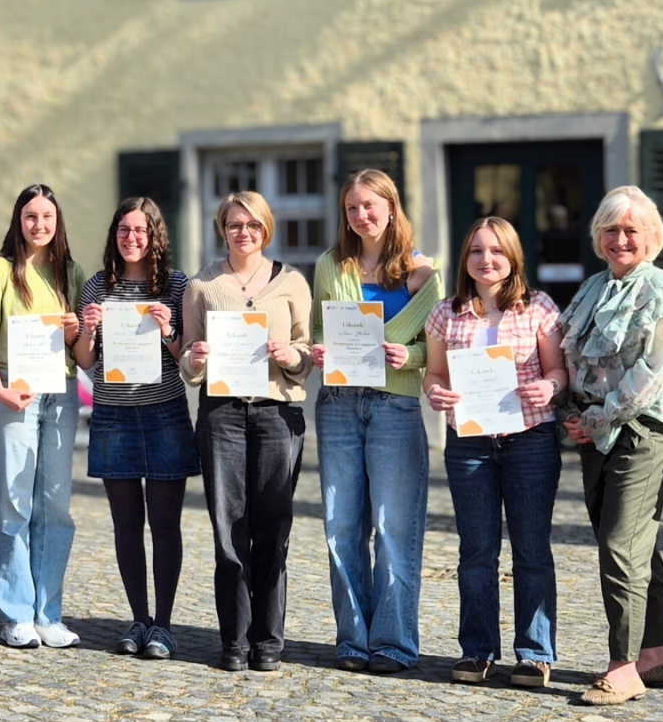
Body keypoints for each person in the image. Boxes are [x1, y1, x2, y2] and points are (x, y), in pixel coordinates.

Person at [560, 184, 663, 707]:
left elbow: (653, 372)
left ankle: (622, 668)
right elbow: (570, 356)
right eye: (611, 229)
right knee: (634, 543)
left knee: (620, 543)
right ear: (598, 236)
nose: (621, 239)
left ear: (651, 237)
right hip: (593, 433)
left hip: (644, 429)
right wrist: (571, 413)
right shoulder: (591, 289)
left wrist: (596, 417)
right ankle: (653, 655)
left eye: (631, 230)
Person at [308, 168, 443, 673]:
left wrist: (403, 358)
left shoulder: (423, 272)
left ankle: (393, 641)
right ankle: (352, 638)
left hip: (395, 409)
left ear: (391, 206)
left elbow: (434, 348)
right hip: (339, 405)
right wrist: (319, 351)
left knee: (392, 530)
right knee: (341, 528)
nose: (361, 216)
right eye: (352, 208)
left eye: (370, 205)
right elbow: (321, 329)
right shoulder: (330, 265)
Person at [425, 217, 568, 689]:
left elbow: (558, 371)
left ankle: (534, 653)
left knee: (531, 549)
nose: (486, 260)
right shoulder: (446, 314)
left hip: (529, 439)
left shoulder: (539, 308)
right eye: (476, 252)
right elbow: (434, 375)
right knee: (477, 551)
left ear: (512, 258)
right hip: (469, 443)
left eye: (496, 252)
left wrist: (548, 386)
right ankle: (477, 649)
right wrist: (436, 393)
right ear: (465, 259)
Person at [182, 190, 311, 672]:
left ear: (266, 228)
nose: (244, 233)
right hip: (222, 416)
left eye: (253, 225)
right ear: (223, 228)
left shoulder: (293, 282)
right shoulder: (201, 285)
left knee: (273, 528)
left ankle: (269, 640)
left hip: (278, 414)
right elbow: (189, 359)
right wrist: (194, 359)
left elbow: (307, 350)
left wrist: (290, 356)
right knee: (228, 528)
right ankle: (233, 641)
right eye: (235, 224)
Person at [73, 195, 199, 659]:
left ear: (155, 236)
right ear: (114, 235)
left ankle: (163, 625)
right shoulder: (95, 288)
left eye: (141, 231)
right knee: (126, 525)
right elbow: (86, 362)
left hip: (164, 412)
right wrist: (88, 330)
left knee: (165, 524)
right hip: (113, 415)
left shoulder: (176, 286)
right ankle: (138, 619)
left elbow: (185, 359)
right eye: (124, 230)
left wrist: (169, 332)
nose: (132, 238)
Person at [0, 184, 86, 649]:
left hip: (60, 395)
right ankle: (16, 613)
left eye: (47, 217)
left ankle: (48, 613)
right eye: (30, 216)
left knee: (56, 507)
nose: (40, 225)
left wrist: (80, 331)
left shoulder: (70, 273)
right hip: (11, 392)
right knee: (15, 504)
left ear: (58, 222)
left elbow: (84, 357)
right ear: (18, 221)